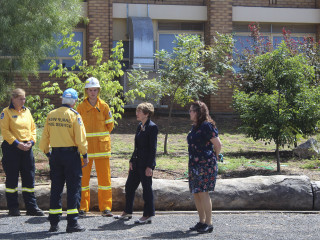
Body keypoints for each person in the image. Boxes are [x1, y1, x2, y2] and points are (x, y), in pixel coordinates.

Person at [39, 88, 88, 233]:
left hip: (56, 155)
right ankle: (72, 223)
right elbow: (81, 138)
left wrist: (48, 154)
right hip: (71, 156)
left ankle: (53, 223)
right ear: (74, 101)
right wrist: (84, 155)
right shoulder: (75, 116)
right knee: (73, 189)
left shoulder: (51, 114)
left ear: (62, 100)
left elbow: (44, 139)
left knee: (56, 188)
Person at [0, 88, 44, 217]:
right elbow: (5, 131)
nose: (23, 101)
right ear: (13, 99)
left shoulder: (27, 111)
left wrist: (32, 142)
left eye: (24, 98)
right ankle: (13, 208)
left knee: (29, 178)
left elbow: (33, 128)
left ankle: (31, 207)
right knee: (12, 179)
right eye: (21, 98)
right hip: (12, 148)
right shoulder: (6, 112)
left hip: (27, 148)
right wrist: (17, 143)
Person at [114, 102, 158, 224]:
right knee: (129, 186)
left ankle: (148, 214)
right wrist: (132, 160)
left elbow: (153, 148)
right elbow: (136, 146)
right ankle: (128, 211)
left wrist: (150, 166)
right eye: (137, 111)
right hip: (137, 162)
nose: (136, 113)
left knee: (146, 188)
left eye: (139, 111)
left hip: (145, 164)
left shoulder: (152, 127)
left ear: (147, 114)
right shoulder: (140, 126)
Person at [76, 77, 114, 217]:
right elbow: (76, 127)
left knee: (105, 180)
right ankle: (82, 207)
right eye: (90, 90)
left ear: (98, 90)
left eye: (95, 90)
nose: (93, 92)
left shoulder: (104, 106)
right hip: (85, 150)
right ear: (86, 91)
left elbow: (110, 125)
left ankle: (106, 207)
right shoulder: (80, 107)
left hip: (101, 149)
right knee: (83, 180)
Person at [187, 101, 221, 234]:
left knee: (203, 192)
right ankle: (201, 221)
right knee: (196, 193)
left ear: (198, 112)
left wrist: (215, 157)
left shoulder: (207, 126)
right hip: (194, 164)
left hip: (205, 164)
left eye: (191, 111)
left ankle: (209, 223)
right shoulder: (195, 126)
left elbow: (218, 144)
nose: (189, 113)